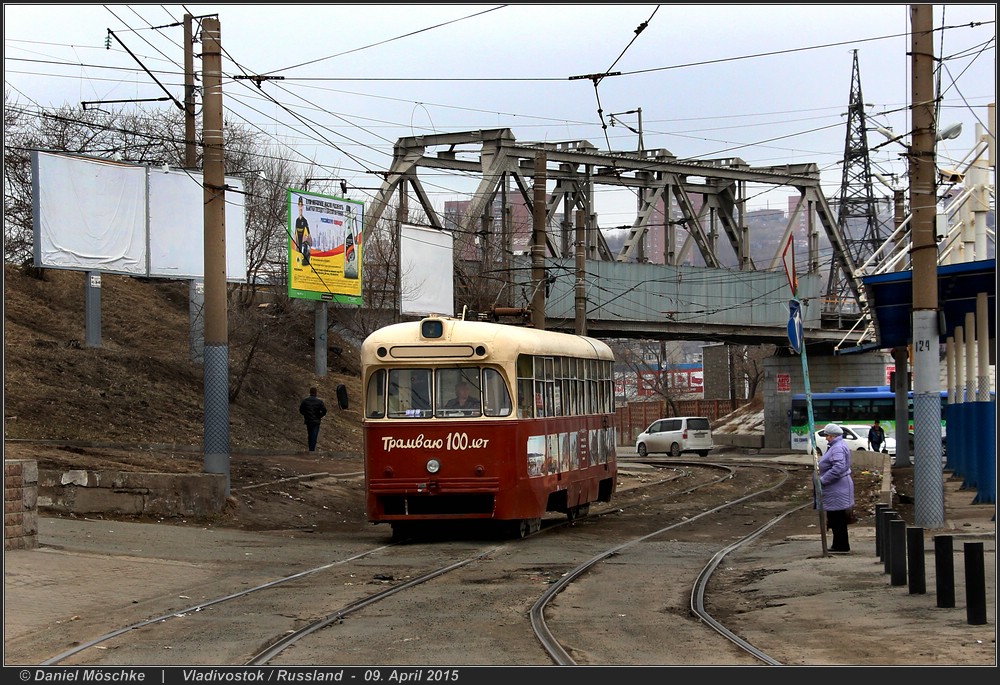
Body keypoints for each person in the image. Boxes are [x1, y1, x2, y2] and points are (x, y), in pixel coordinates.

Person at [817, 422, 856, 553]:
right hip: (837, 488)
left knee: (837, 517)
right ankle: (839, 544)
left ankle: (841, 545)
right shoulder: (838, 445)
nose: (826, 438)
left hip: (836, 488)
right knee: (836, 517)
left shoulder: (837, 448)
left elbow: (838, 467)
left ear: (833, 436)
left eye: (827, 436)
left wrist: (823, 480)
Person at [299, 386, 327, 452]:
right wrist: (319, 416)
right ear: (316, 393)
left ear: (310, 392)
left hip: (308, 420)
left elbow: (301, 410)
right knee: (314, 435)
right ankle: (312, 450)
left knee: (310, 435)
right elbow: (324, 411)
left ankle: (310, 449)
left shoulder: (305, 401)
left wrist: (306, 415)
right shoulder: (319, 402)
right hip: (316, 420)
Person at [294, 196, 311, 266]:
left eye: (301, 205)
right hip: (298, 246)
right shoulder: (296, 220)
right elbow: (295, 235)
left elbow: (308, 235)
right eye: (299, 205)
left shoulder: (305, 221)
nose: (300, 207)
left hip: (304, 247)